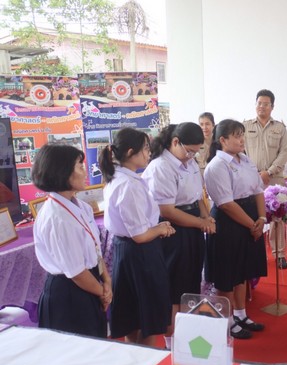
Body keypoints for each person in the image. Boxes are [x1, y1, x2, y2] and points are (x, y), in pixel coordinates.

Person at [142, 122, 216, 348]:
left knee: (190, 282)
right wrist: (201, 223)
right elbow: (167, 211)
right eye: (189, 151)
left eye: (196, 152)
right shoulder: (161, 167)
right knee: (174, 288)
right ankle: (171, 341)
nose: (192, 156)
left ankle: (187, 335)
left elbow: (197, 196)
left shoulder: (189, 162)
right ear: (175, 142)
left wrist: (206, 216)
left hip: (192, 225)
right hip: (173, 230)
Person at [100, 128, 175, 346]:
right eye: (145, 149)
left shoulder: (120, 178)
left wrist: (157, 226)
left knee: (133, 316)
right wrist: (160, 229)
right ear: (130, 152)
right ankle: (147, 359)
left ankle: (136, 355)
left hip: (128, 251)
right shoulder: (129, 185)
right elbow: (140, 235)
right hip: (140, 254)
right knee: (146, 317)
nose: (149, 153)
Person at [32, 144, 111, 338]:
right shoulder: (57, 217)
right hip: (69, 293)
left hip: (90, 284)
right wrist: (103, 292)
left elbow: (94, 249)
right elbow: (76, 272)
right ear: (63, 171)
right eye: (80, 166)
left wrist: (107, 280)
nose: (85, 172)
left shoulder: (82, 207)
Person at [204, 119, 267, 339]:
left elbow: (258, 189)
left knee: (243, 271)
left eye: (242, 135)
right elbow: (226, 204)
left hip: (250, 217)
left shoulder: (245, 159)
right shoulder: (217, 166)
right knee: (227, 274)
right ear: (223, 140)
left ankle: (241, 314)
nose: (242, 140)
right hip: (228, 222)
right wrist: (252, 225)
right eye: (237, 135)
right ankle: (228, 321)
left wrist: (261, 218)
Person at [243, 89, 287, 269]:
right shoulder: (245, 126)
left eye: (266, 104)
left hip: (274, 180)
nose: (262, 107)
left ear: (272, 106)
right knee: (252, 215)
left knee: (277, 218)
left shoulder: (280, 128)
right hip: (251, 179)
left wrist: (268, 172)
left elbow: (284, 152)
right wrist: (254, 173)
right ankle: (255, 254)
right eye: (259, 103)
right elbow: (240, 151)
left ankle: (279, 254)